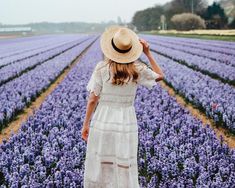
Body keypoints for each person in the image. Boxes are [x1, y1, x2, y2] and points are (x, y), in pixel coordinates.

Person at [81, 25, 164, 188]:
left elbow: (92, 99)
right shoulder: (136, 69)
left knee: (100, 161)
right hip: (126, 121)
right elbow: (160, 76)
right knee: (123, 162)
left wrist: (86, 124)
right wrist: (147, 53)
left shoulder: (101, 68)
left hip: (102, 120)